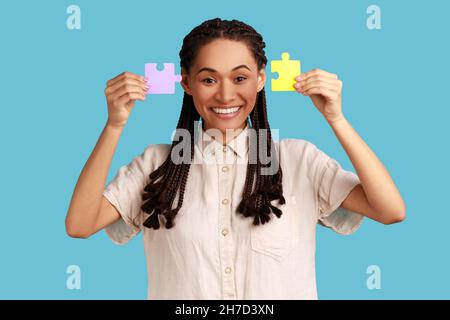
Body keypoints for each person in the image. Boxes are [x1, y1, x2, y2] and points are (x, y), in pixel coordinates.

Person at [65, 18, 406, 299]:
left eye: (240, 78)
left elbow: (390, 210)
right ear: (186, 83)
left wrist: (336, 118)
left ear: (260, 79)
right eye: (209, 79)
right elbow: (80, 225)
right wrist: (114, 125)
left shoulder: (299, 159)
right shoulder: (155, 165)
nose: (226, 94)